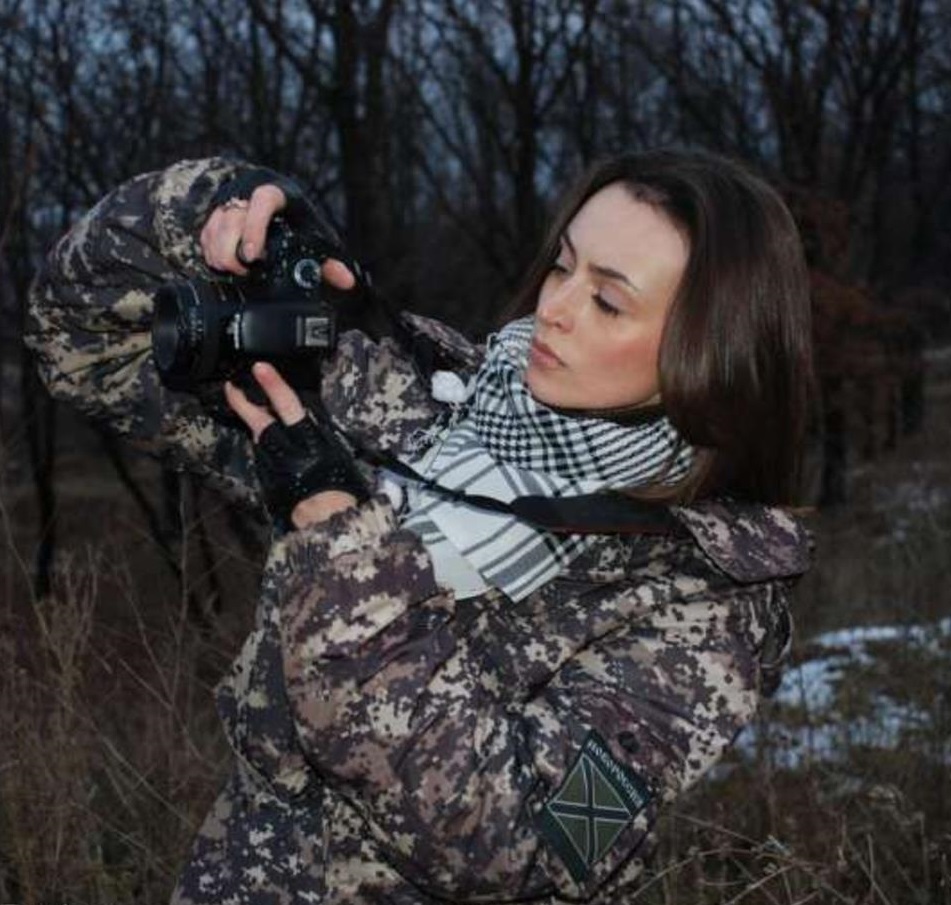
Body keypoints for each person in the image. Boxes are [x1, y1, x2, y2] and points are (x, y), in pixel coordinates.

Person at [26, 149, 812, 904]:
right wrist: (219, 213)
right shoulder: (413, 395)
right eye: (561, 265)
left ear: (707, 351)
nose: (553, 308)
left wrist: (343, 543)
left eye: (607, 301)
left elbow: (510, 845)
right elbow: (78, 344)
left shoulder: (701, 600)